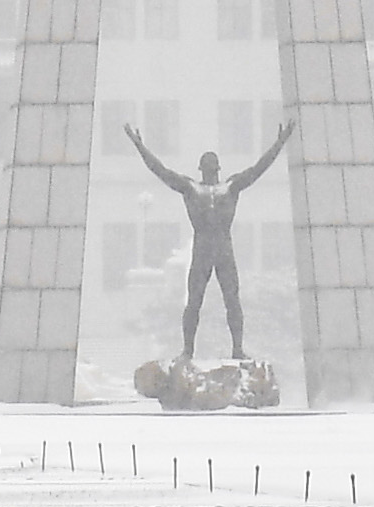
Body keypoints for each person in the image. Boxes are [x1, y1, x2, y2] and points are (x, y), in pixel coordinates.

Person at [124, 118, 290, 367]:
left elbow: (258, 168)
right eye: (207, 164)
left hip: (223, 247)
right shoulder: (190, 188)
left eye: (213, 164)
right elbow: (160, 171)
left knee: (232, 299)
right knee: (194, 301)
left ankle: (237, 348)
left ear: (218, 168)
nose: (211, 167)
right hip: (203, 247)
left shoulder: (231, 186)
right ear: (201, 169)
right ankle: (188, 350)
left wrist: (279, 143)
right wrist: (140, 146)